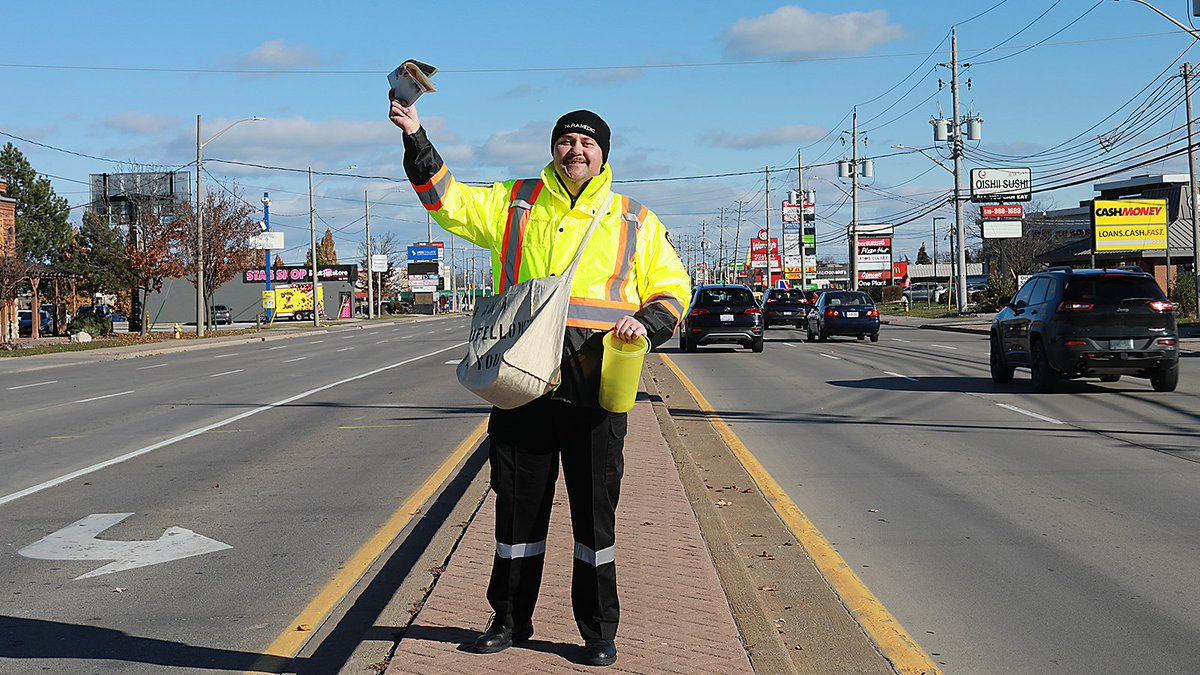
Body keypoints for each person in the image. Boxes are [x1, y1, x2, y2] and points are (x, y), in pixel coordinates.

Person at [389, 97, 690, 667]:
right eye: (566, 141)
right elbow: (448, 201)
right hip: (522, 380)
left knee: (594, 517)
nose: (575, 150)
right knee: (517, 509)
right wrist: (415, 133)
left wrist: (645, 323)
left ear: (603, 155)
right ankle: (509, 619)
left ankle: (598, 630)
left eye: (587, 143)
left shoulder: (635, 219)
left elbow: (674, 288)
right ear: (554, 147)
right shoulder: (515, 202)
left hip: (595, 381)